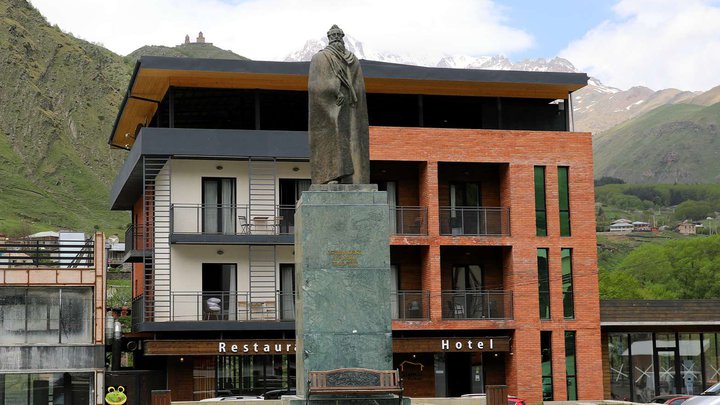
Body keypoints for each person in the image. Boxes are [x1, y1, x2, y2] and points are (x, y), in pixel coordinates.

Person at [308, 25, 370, 184]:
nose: (336, 38)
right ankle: (332, 176)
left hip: (351, 107)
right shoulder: (321, 57)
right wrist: (335, 90)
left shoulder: (353, 60)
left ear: (342, 37)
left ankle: (355, 178)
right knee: (334, 137)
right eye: (333, 35)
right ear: (329, 38)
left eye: (338, 35)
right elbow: (316, 85)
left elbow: (358, 85)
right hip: (331, 107)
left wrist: (350, 94)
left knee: (354, 138)